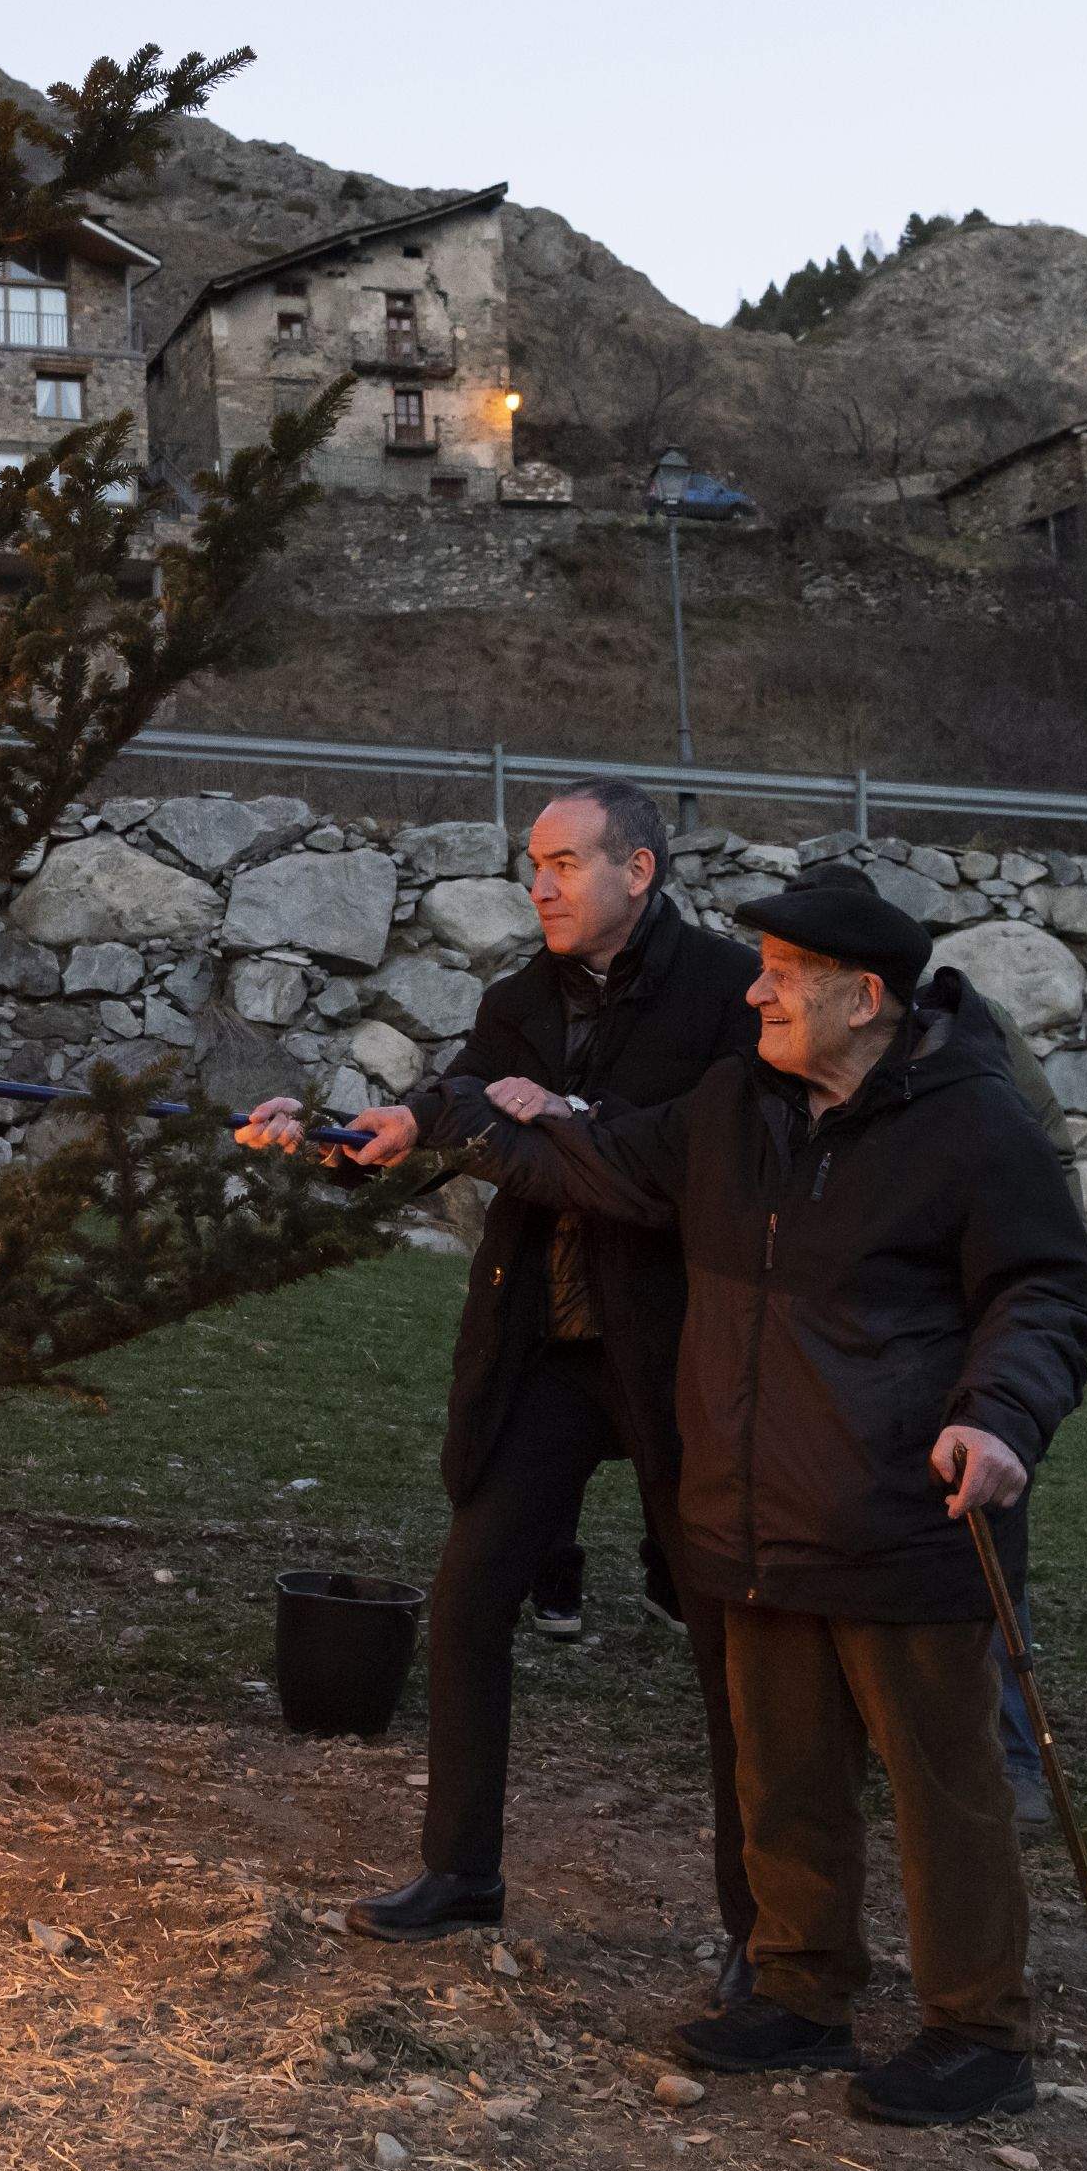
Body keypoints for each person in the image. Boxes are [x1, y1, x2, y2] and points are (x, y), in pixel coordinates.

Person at [430, 872, 1087, 2129]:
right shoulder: (735, 1103)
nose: (753, 992)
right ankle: (798, 1987)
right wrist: (433, 1123)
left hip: (906, 1510)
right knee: (779, 1765)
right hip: (748, 1501)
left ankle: (979, 2029)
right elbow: (601, 1155)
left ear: (863, 999)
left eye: (780, 976)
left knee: (938, 1787)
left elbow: (1046, 1297)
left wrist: (997, 1417)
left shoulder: (974, 1127)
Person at [236, 779, 762, 1959]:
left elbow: (701, 1154)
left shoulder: (729, 992)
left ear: (639, 870)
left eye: (566, 862)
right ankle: (460, 1872)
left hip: (680, 1346)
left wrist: (566, 1114)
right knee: (471, 1599)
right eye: (533, 862)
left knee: (727, 1637)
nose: (539, 884)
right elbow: (448, 1109)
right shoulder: (518, 997)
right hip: (548, 1343)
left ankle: (765, 1925)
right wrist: (338, 1138)